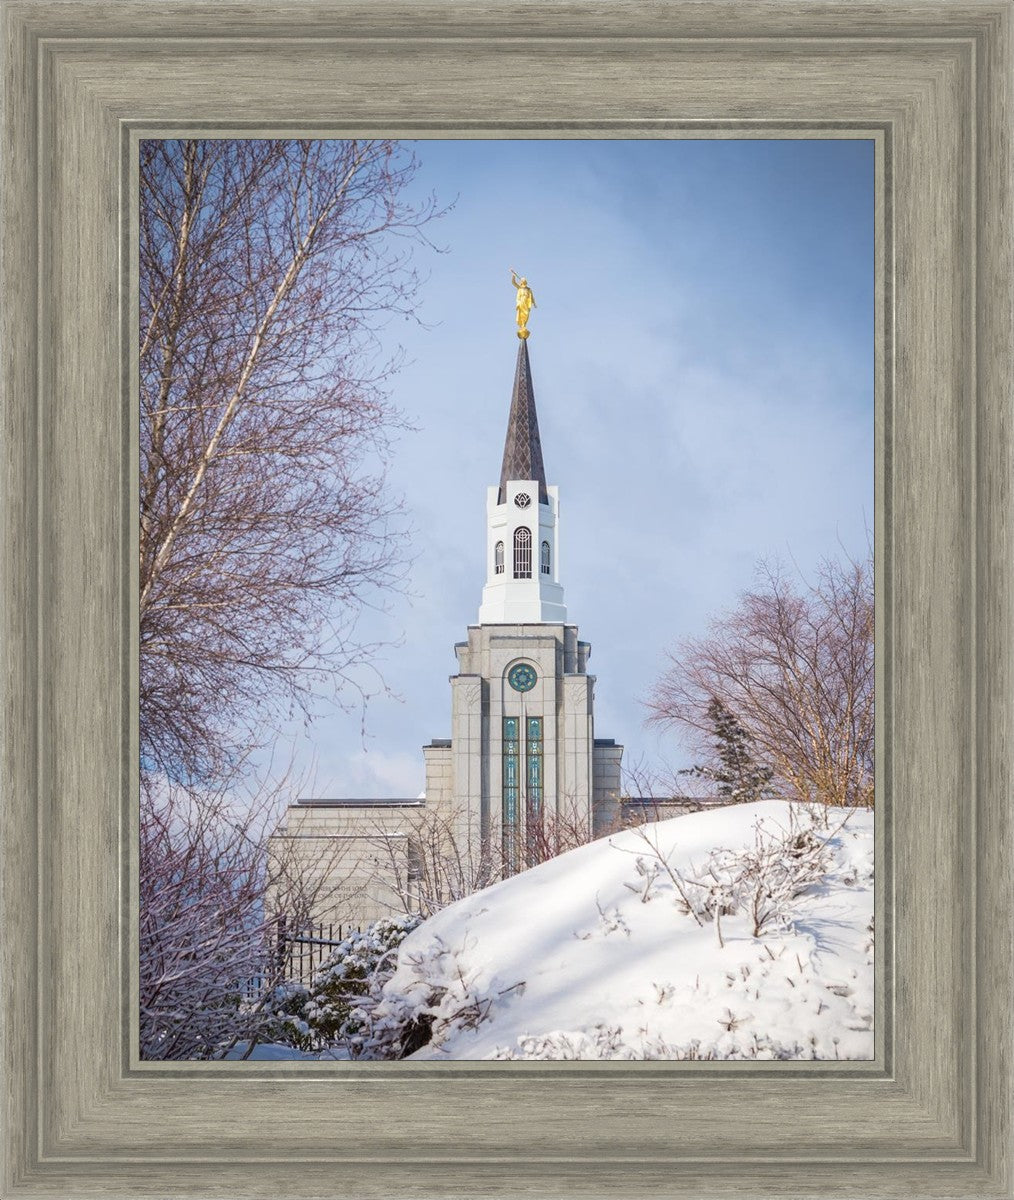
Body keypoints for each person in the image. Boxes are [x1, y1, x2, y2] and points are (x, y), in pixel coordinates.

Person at [510, 269, 536, 335]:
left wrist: (534, 303)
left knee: (526, 314)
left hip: (526, 303)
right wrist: (513, 275)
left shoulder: (528, 289)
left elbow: (532, 297)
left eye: (524, 280)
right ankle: (522, 325)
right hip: (521, 301)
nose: (523, 281)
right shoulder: (520, 288)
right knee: (521, 313)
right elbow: (513, 283)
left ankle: (524, 325)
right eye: (522, 280)